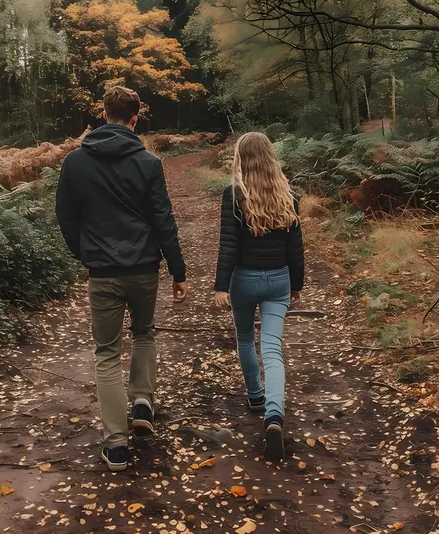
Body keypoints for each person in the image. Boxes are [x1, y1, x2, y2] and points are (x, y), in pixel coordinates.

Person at [55, 86, 187, 472]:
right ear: (135, 119)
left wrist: (86, 253)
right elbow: (163, 220)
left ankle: (116, 445)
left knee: (107, 353)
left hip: (103, 273)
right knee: (144, 332)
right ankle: (143, 402)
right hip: (144, 267)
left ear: (102, 113)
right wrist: (177, 271)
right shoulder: (148, 162)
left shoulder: (75, 162)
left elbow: (66, 217)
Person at [214, 132, 304, 463]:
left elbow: (229, 245)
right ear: (270, 157)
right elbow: (295, 245)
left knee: (244, 338)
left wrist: (220, 286)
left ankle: (255, 395)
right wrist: (297, 283)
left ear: (241, 158)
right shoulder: (288, 194)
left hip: (243, 280)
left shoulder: (234, 195)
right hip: (279, 279)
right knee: (272, 348)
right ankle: (274, 415)